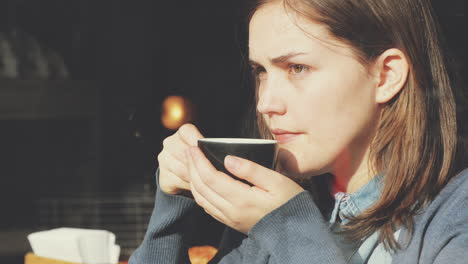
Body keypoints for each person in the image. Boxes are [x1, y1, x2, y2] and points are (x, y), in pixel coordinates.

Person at [129, 0, 468, 263]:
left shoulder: (455, 218)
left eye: (297, 68)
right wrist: (172, 212)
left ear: (385, 76)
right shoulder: (274, 206)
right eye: (260, 71)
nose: (265, 102)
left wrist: (288, 229)